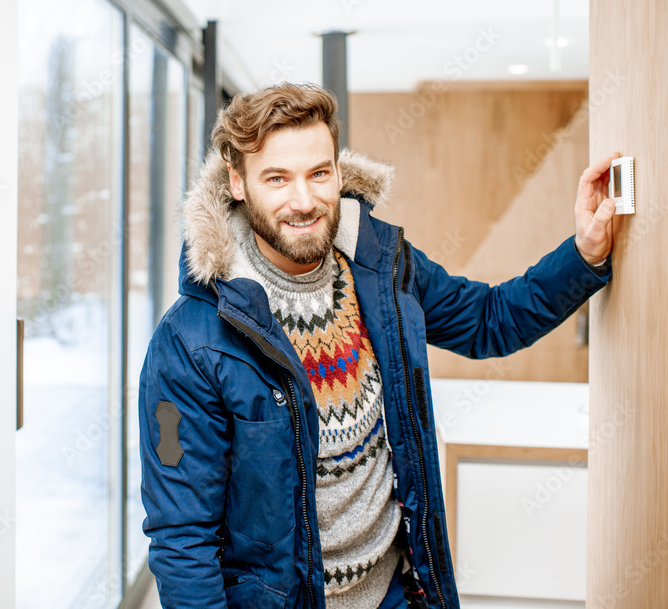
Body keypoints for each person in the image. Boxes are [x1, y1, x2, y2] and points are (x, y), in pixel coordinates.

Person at [138, 83, 617, 609]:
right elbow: (183, 540)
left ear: (338, 172)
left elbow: (489, 321)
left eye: (319, 173)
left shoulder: (383, 267)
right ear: (237, 182)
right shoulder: (190, 341)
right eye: (277, 179)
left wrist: (584, 254)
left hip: (397, 594)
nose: (304, 201)